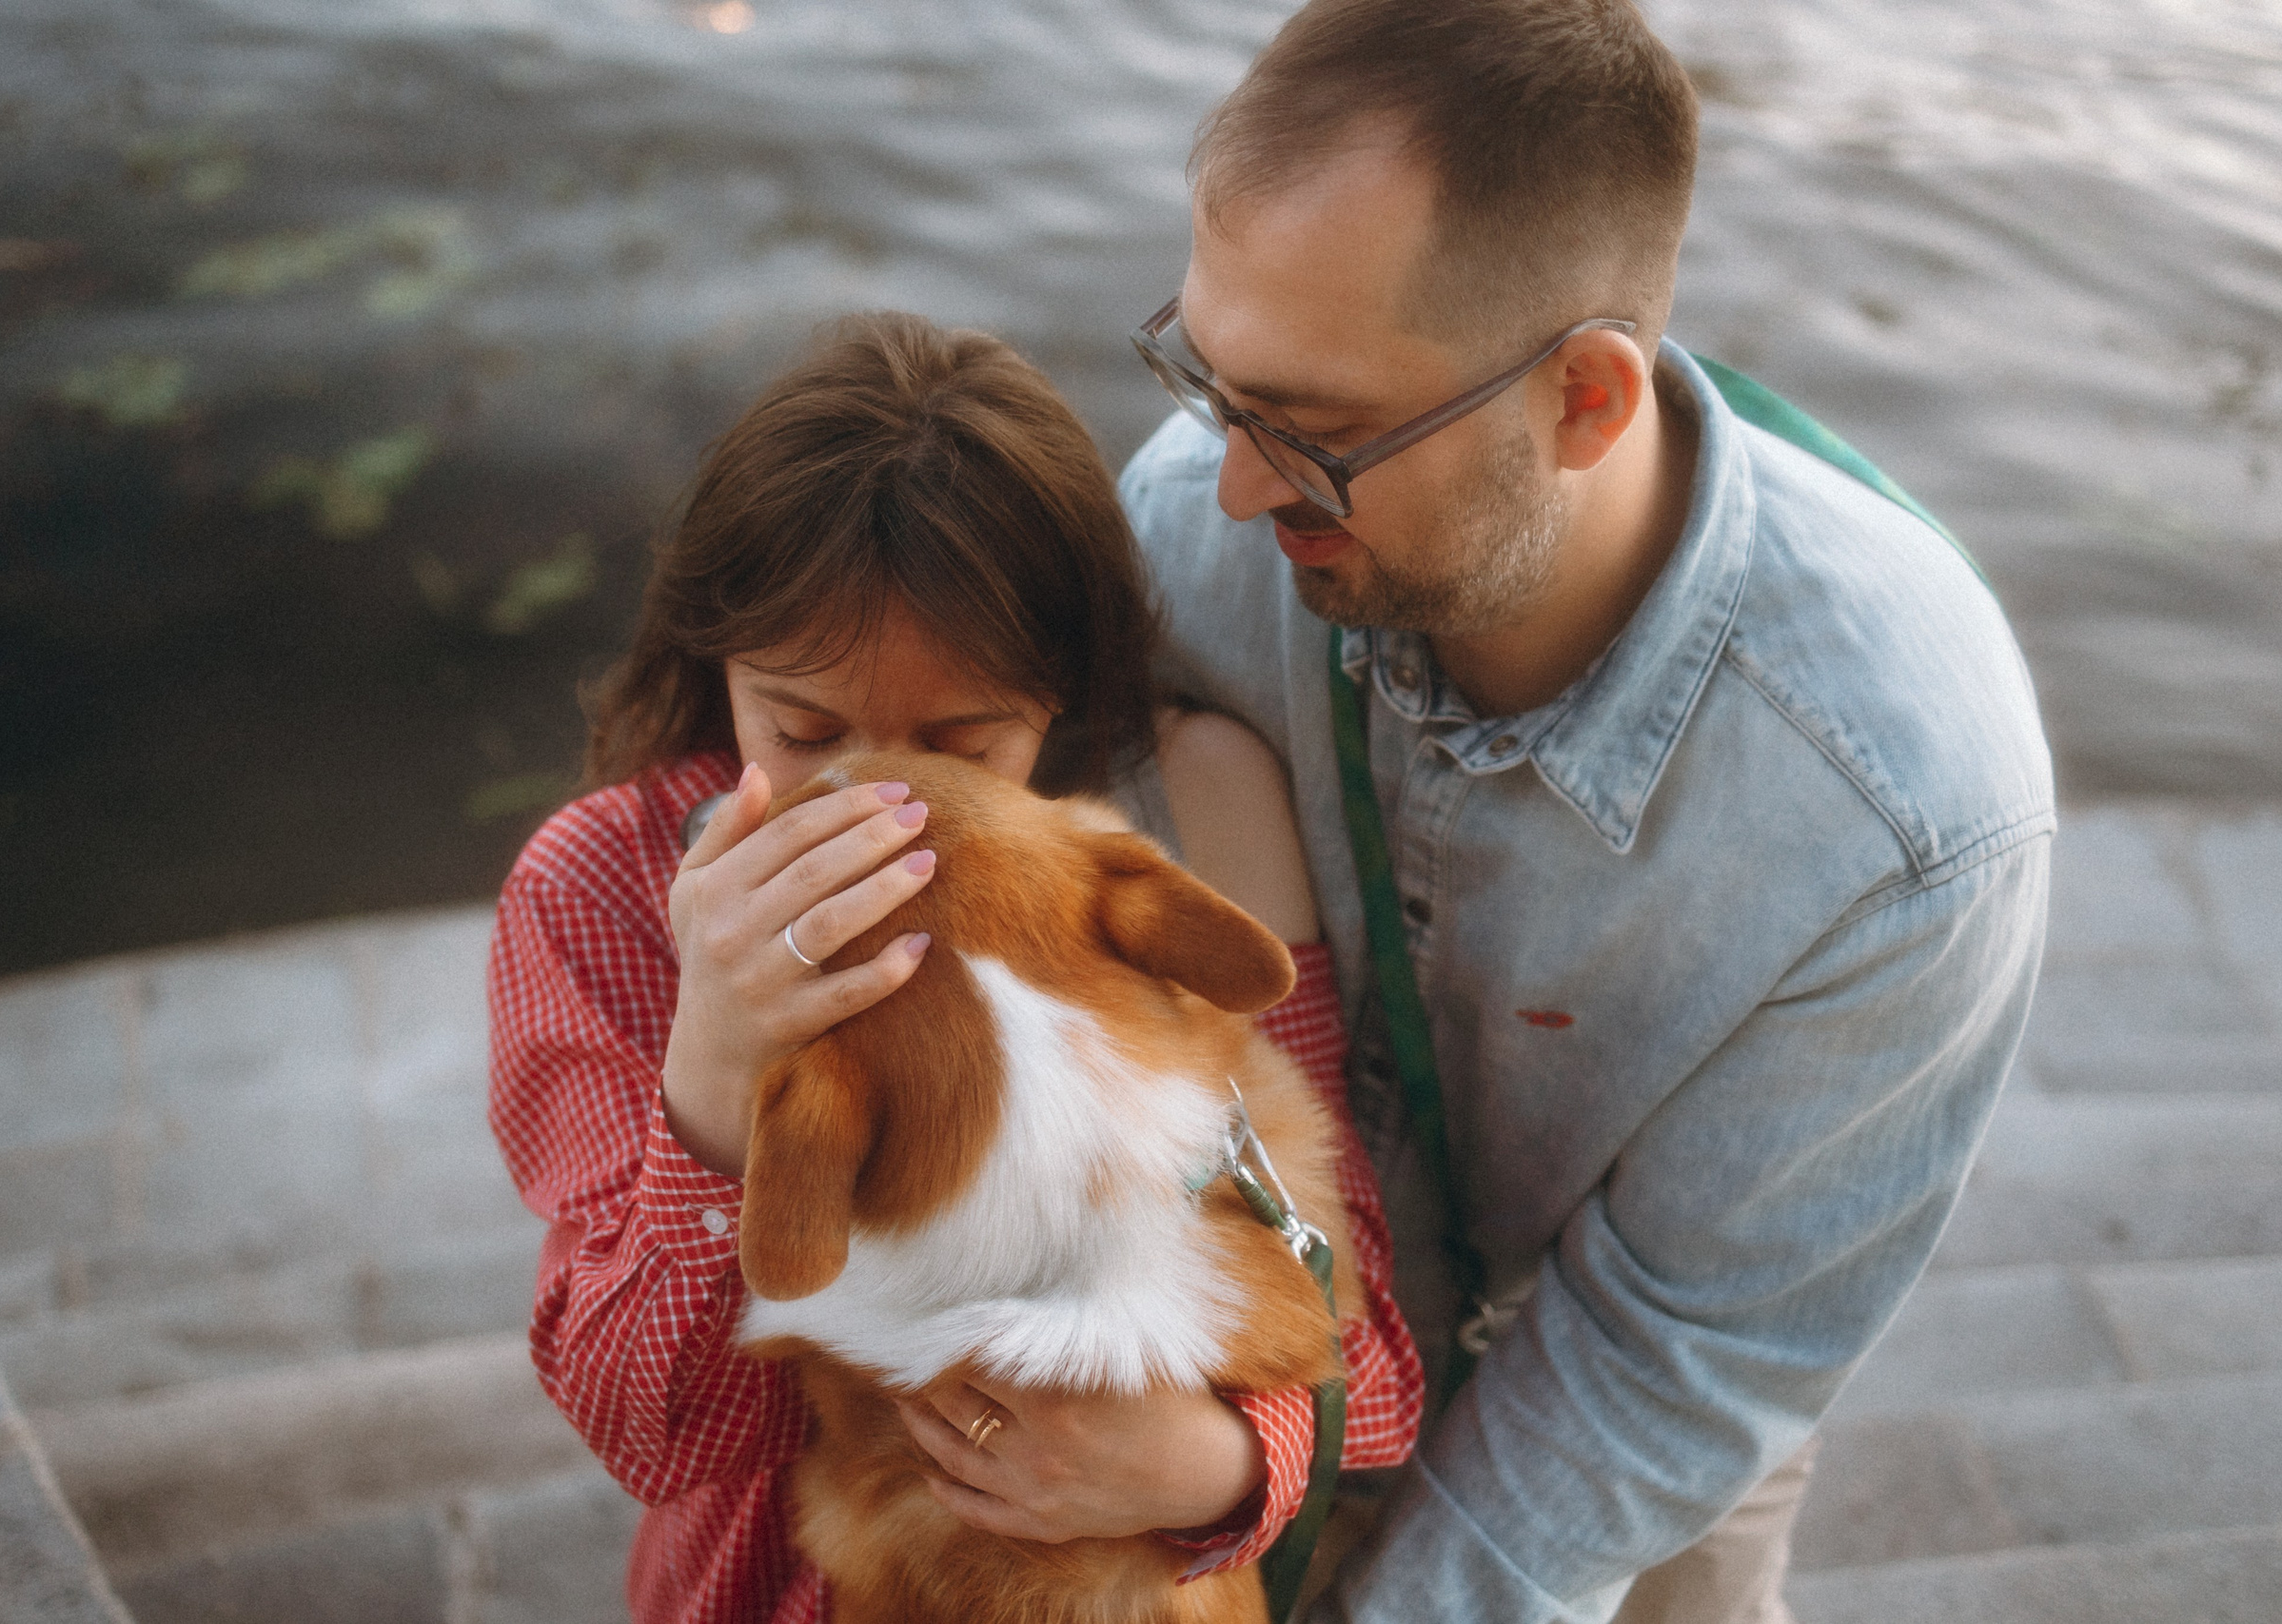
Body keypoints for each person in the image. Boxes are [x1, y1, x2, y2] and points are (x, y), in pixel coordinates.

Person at [1114, 3, 2055, 1621]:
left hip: (1646, 1435)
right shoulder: (1192, 541)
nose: (1235, 489)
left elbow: (1679, 1357)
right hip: (1263, 1373)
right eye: (1214, 380)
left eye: (1319, 434)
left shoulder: (1906, 813)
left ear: (1589, 404)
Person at [486, 311, 1424, 1623]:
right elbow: (659, 1437)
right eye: (804, 730)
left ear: (1063, 692)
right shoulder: (602, 886)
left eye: (964, 743)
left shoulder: (1185, 824)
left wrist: (1208, 1466)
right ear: (719, 660)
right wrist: (713, 1069)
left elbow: (1360, 1341)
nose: (874, 806)